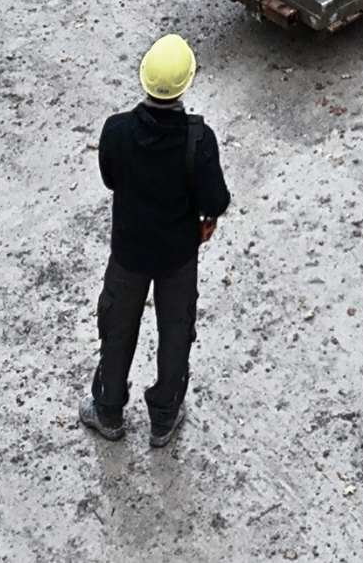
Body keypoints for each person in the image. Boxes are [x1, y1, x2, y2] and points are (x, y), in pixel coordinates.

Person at [79, 34, 230, 449]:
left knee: (117, 326)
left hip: (128, 252)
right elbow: (216, 200)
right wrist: (207, 221)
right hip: (178, 255)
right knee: (176, 330)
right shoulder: (198, 140)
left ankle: (108, 410)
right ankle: (163, 417)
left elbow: (111, 178)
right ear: (187, 83)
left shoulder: (117, 130)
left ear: (143, 77)